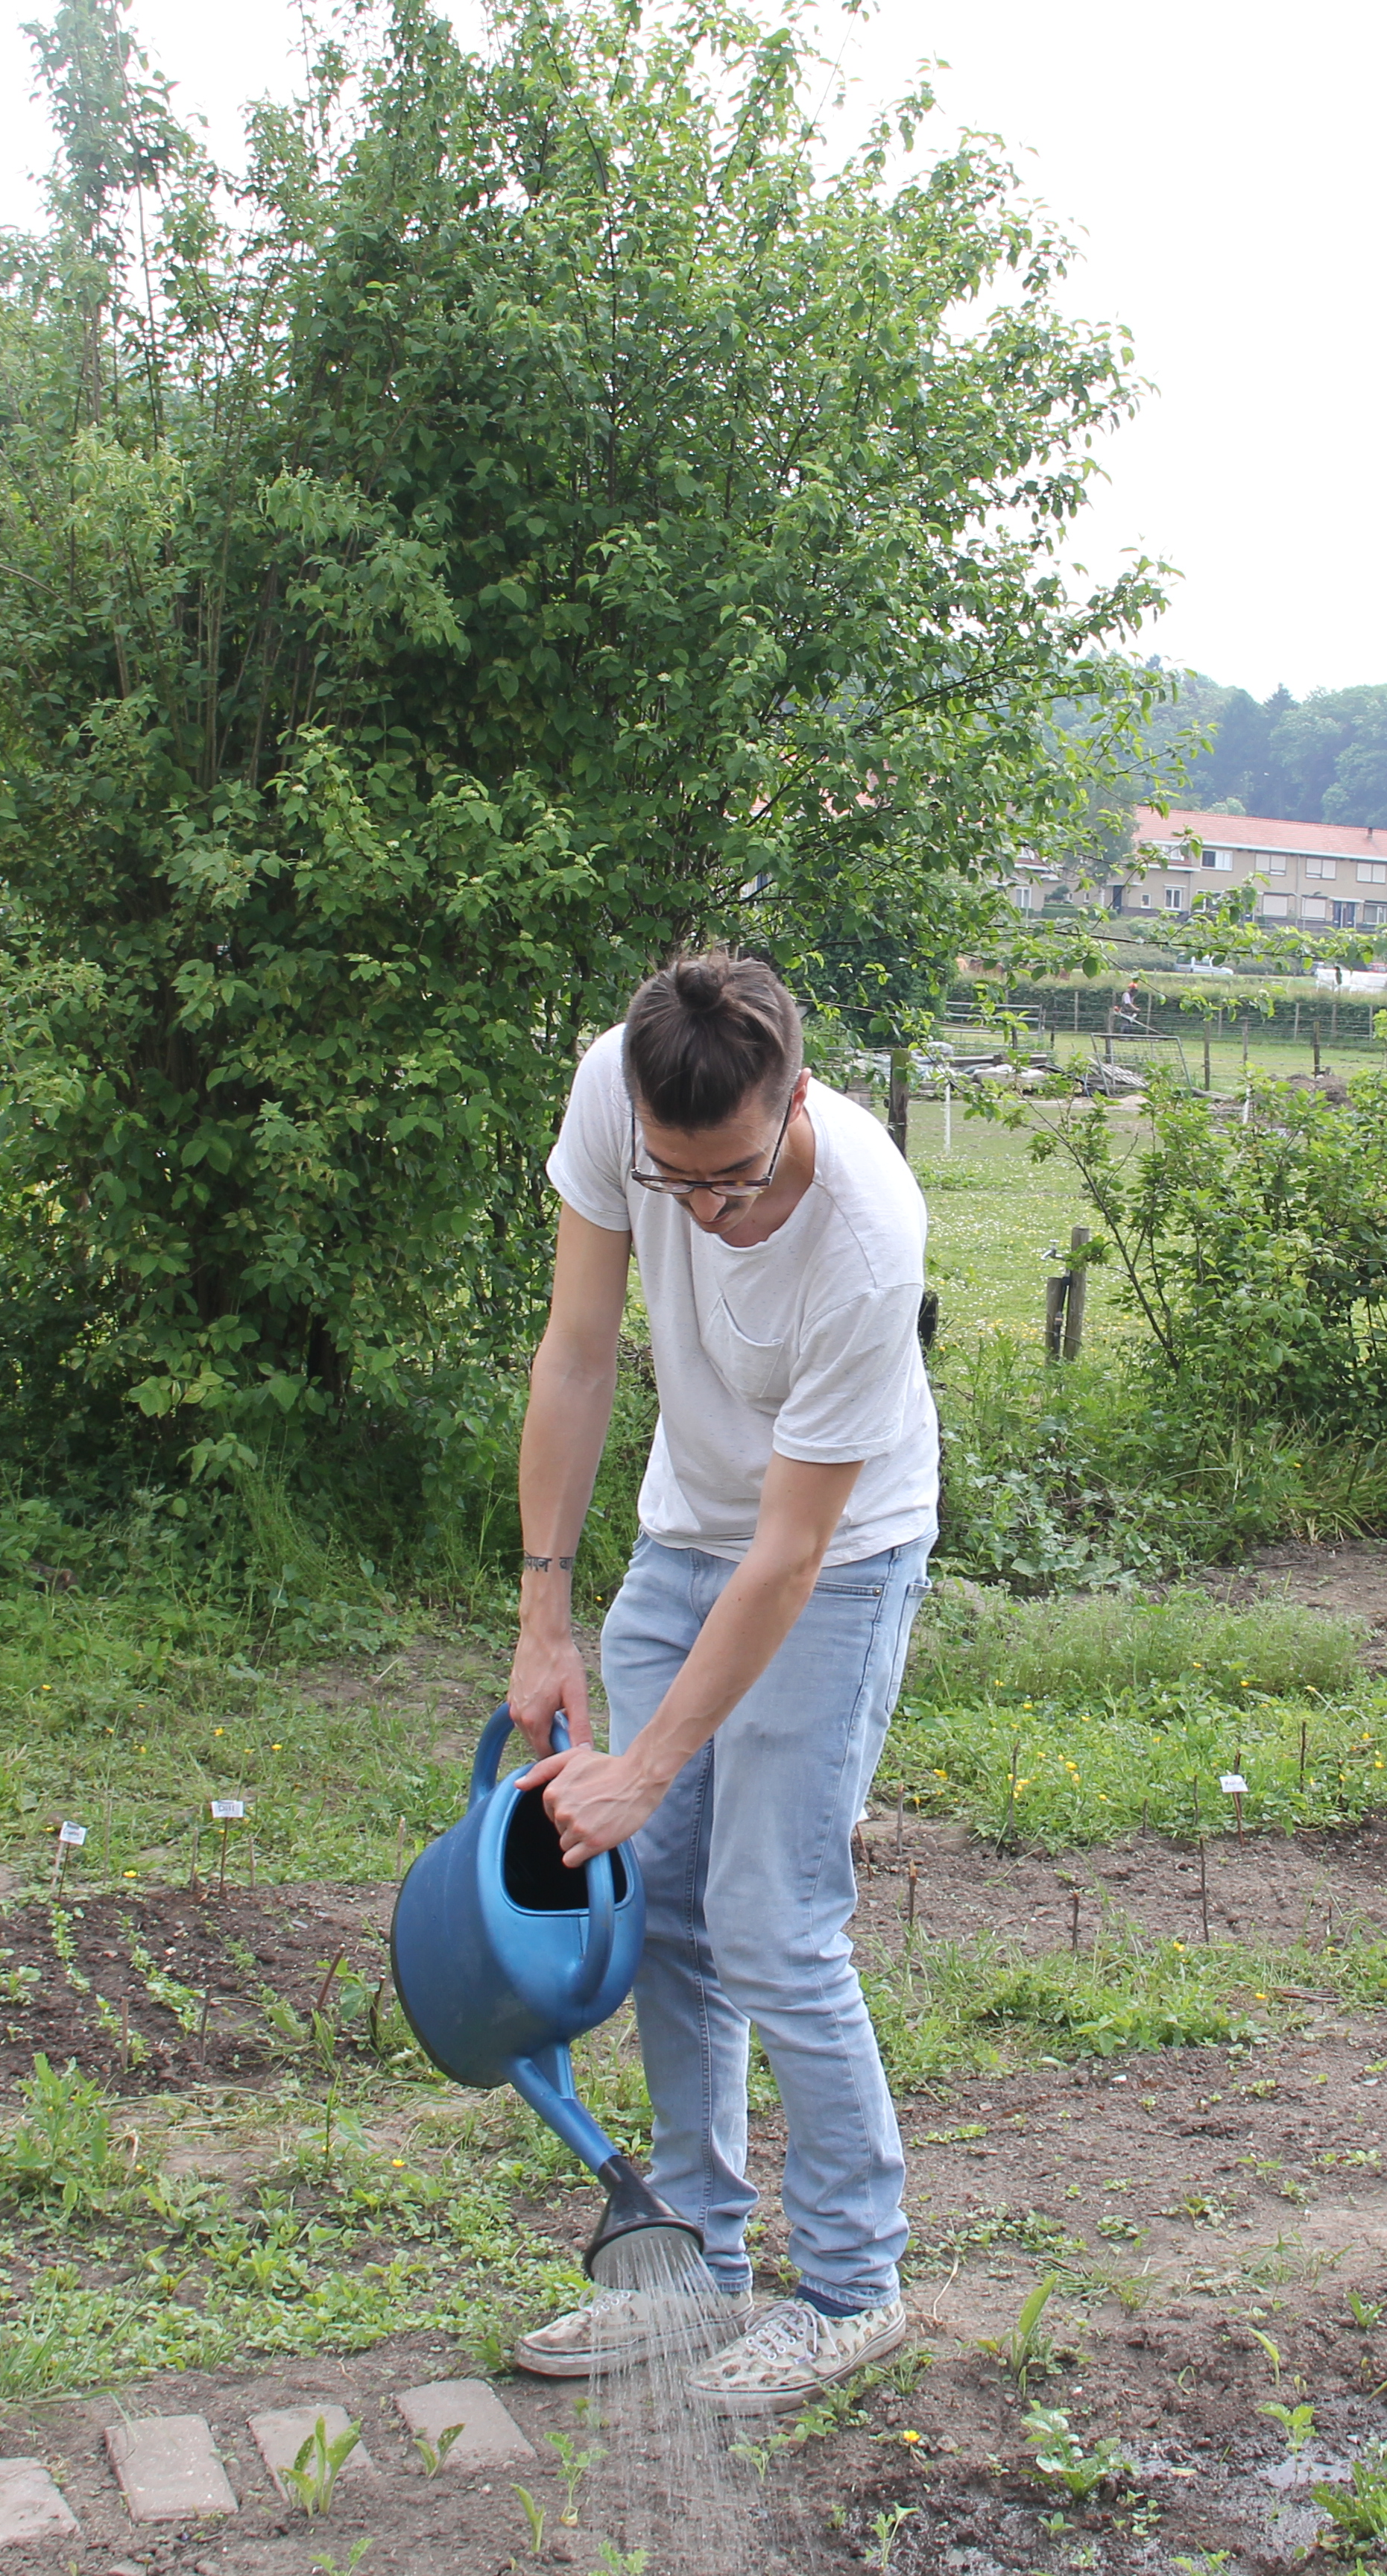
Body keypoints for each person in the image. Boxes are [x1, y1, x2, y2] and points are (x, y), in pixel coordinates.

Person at [500, 952, 938, 2415]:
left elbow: (795, 1555)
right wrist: (544, 1613)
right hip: (684, 1531)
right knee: (668, 1913)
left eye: (735, 1182)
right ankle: (696, 2265)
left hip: (838, 1557)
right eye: (676, 1184)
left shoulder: (869, 1238)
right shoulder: (615, 1097)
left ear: (797, 1097)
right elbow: (576, 1356)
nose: (707, 1213)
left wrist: (651, 1760)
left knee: (773, 1920)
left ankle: (854, 2288)